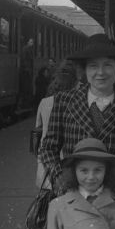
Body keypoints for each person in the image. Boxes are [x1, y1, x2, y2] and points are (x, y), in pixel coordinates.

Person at [39, 33, 115, 209]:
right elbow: (48, 147)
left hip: (113, 201)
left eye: (108, 65)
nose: (101, 72)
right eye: (93, 66)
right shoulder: (64, 101)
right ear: (85, 71)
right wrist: (61, 184)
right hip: (72, 198)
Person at [46, 138, 115, 229]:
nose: (91, 177)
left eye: (98, 170)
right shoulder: (58, 206)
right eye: (84, 170)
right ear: (74, 171)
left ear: (107, 171)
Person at [33, 60, 78, 188]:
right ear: (74, 82)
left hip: (47, 160)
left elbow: (38, 129)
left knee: (48, 200)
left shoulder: (44, 102)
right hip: (68, 161)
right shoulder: (78, 103)